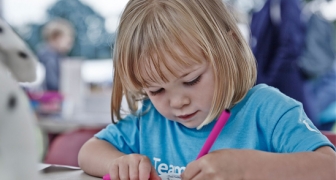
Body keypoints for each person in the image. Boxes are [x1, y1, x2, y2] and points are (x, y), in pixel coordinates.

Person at [78, 0, 336, 179]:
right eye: (156, 90)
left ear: (229, 48)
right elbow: (89, 151)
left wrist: (251, 169)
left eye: (191, 80)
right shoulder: (148, 121)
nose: (177, 102)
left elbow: (330, 168)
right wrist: (118, 163)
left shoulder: (267, 111)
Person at [36, 18, 75, 92]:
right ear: (56, 37)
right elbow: (52, 84)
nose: (71, 40)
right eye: (68, 37)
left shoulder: (56, 57)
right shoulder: (49, 58)